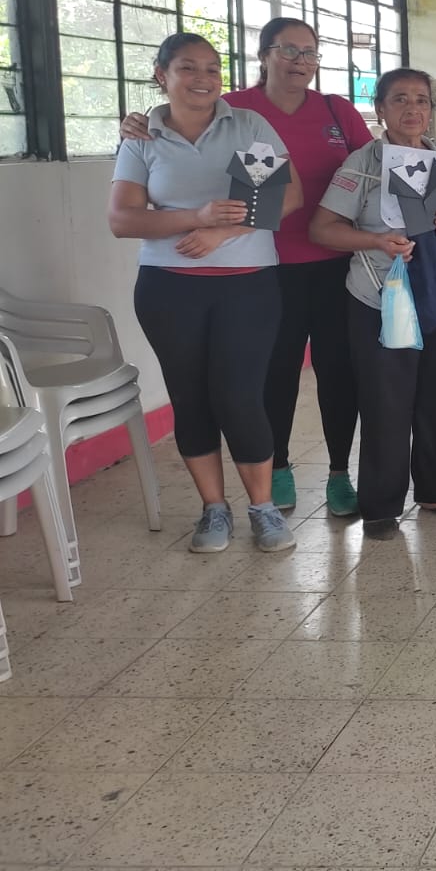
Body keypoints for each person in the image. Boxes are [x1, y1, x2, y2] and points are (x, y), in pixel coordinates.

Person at [118, 17, 369, 517]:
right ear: (263, 55)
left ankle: (340, 473)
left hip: (330, 261)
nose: (300, 61)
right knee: (272, 377)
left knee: (337, 373)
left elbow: (372, 166)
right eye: (289, 50)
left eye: (310, 52)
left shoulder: (325, 112)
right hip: (269, 266)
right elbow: (146, 172)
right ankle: (277, 472)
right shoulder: (235, 109)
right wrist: (134, 125)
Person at [108, 32, 303, 553]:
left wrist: (223, 233)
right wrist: (195, 217)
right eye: (188, 68)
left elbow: (287, 196)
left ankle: (263, 509)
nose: (203, 78)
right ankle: (213, 509)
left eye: (213, 69)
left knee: (239, 397)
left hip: (248, 285)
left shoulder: (246, 125)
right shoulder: (142, 137)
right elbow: (123, 219)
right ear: (162, 75)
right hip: (168, 289)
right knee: (190, 399)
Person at [309, 68, 436, 539]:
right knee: (385, 402)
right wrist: (374, 240)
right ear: (381, 108)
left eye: (421, 100)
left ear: (432, 110)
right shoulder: (362, 164)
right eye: (400, 99)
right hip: (381, 298)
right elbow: (322, 228)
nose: (413, 109)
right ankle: (381, 506)